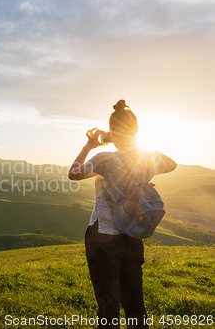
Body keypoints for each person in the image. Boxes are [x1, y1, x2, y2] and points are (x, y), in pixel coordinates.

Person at [68, 99, 177, 328]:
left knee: (108, 308)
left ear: (111, 132)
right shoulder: (148, 160)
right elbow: (172, 163)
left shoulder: (104, 159)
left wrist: (90, 145)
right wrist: (135, 141)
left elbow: (74, 173)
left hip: (102, 237)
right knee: (135, 304)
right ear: (136, 131)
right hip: (134, 234)